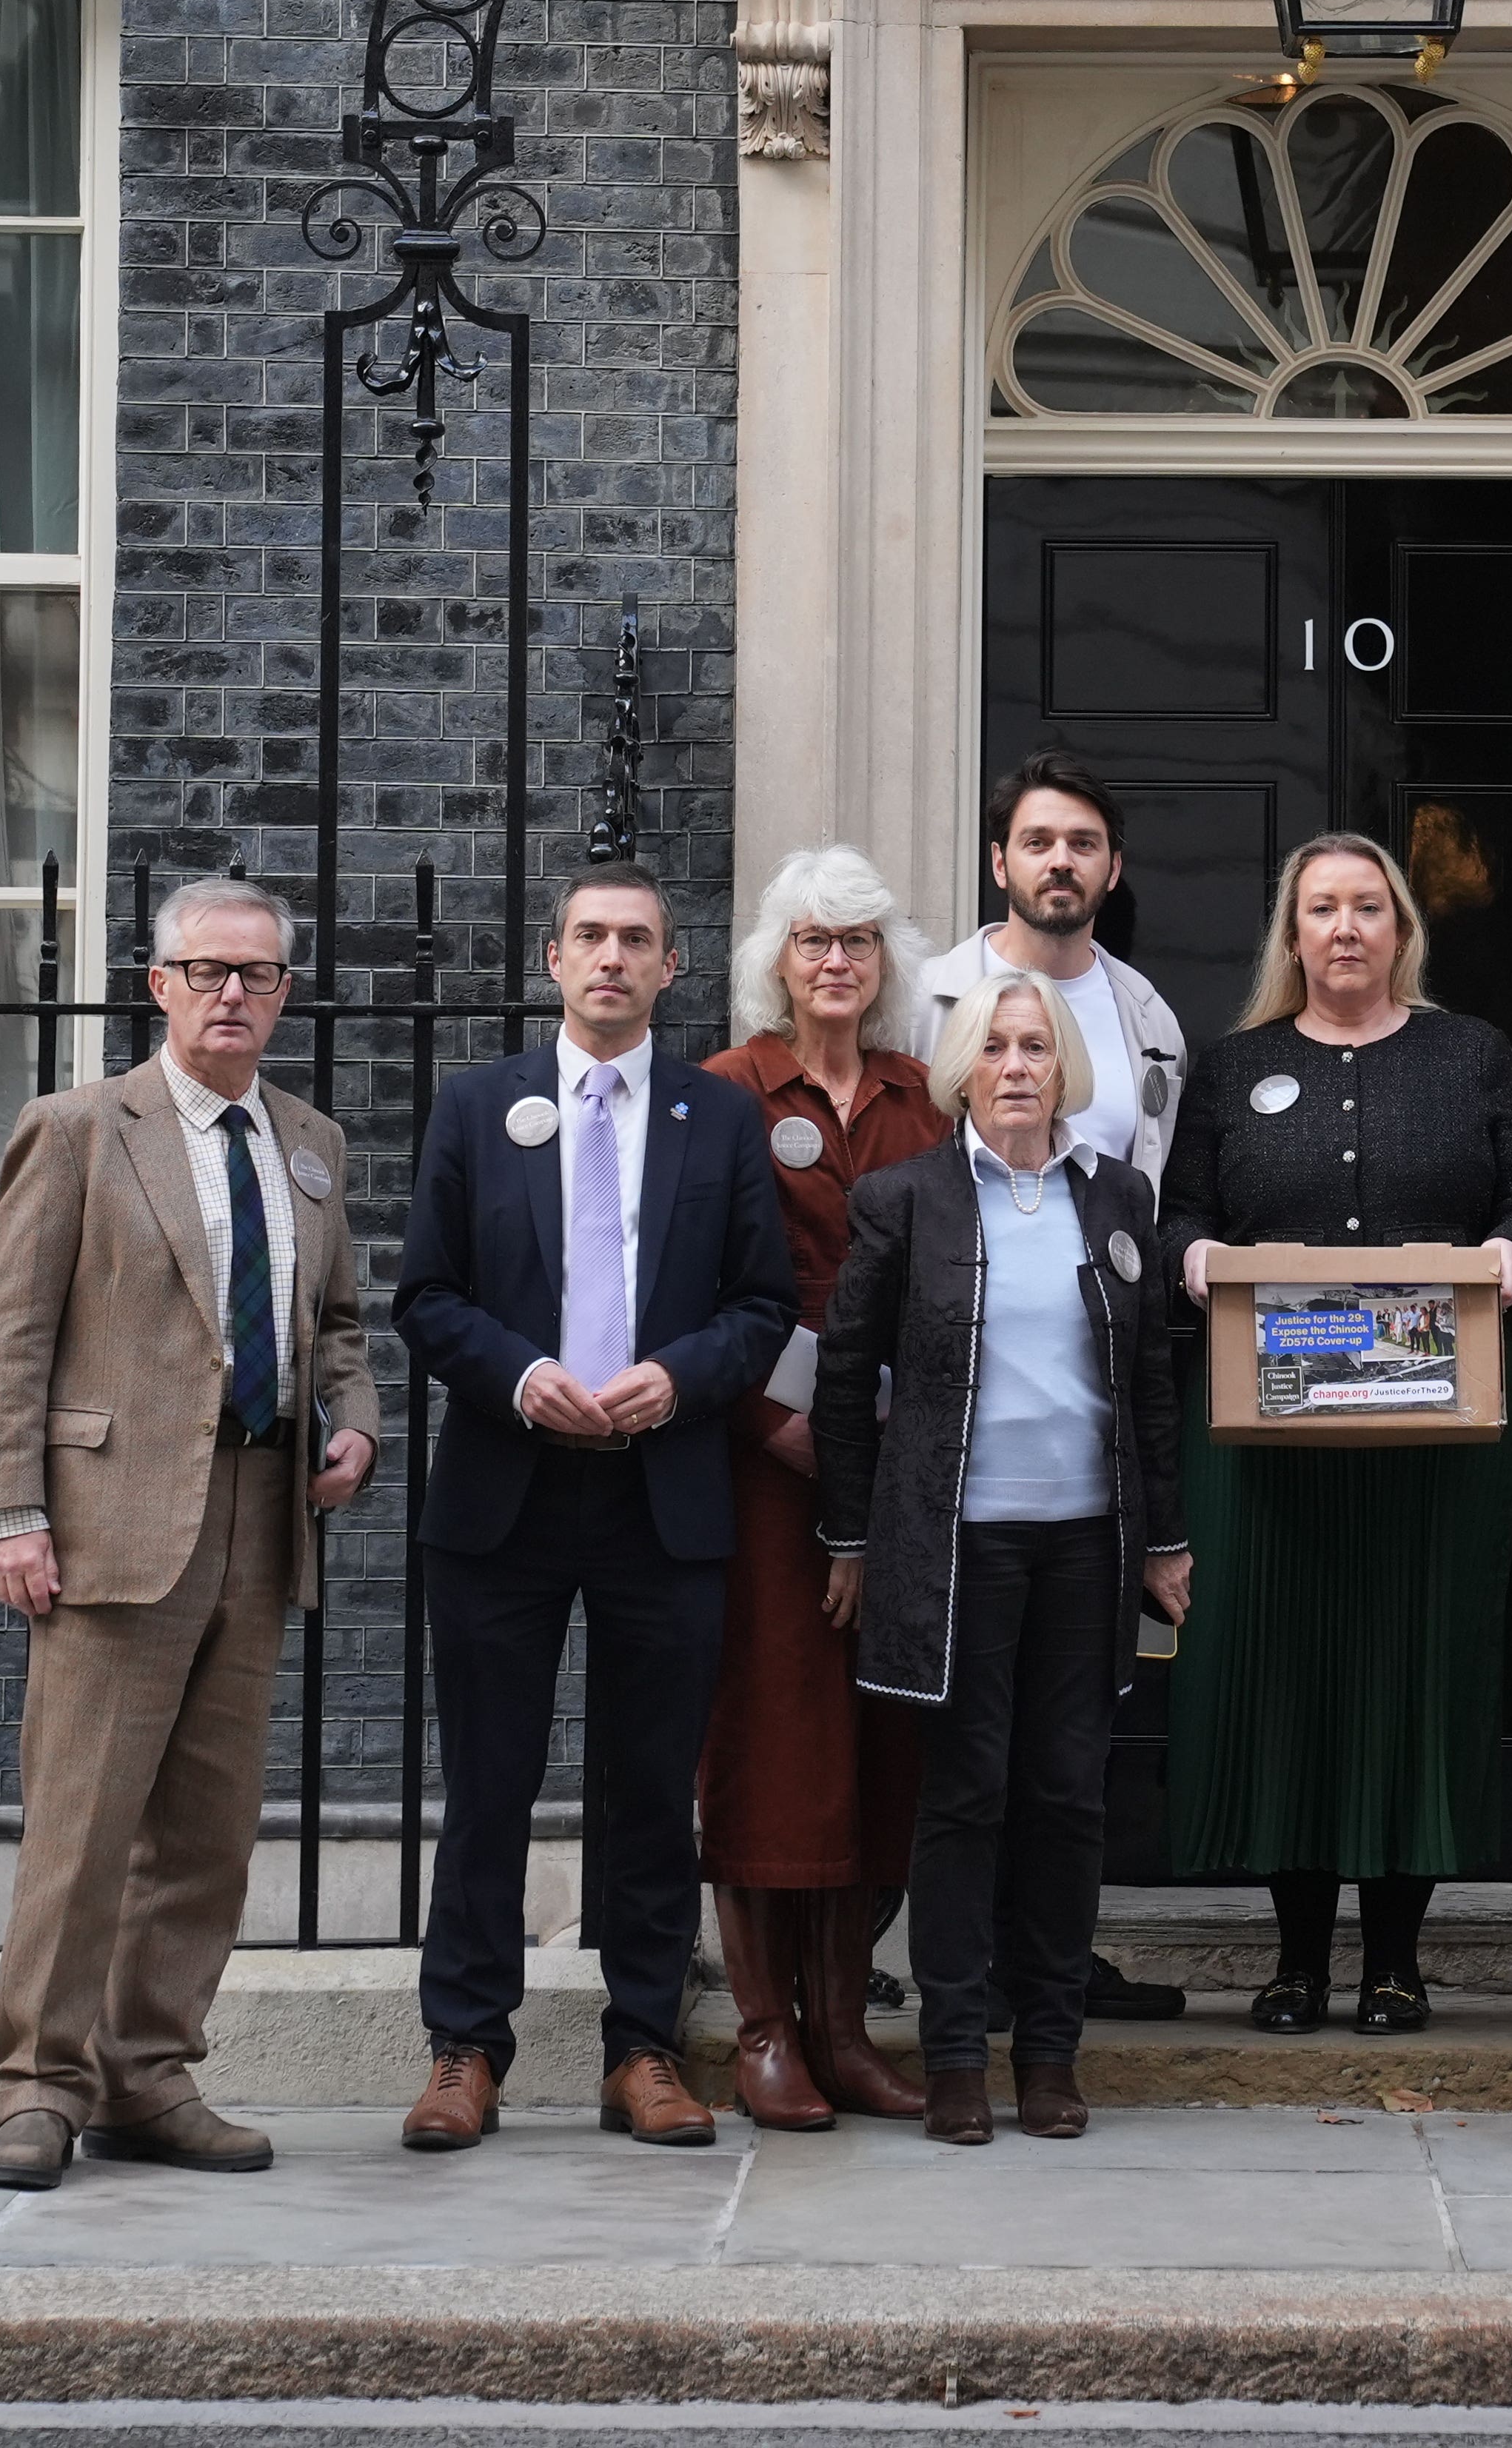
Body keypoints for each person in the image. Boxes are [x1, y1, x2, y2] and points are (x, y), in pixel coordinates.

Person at [0, 876, 381, 2193]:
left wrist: (354, 1422)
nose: (234, 994)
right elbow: (9, 1336)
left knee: (206, 1831)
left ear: (285, 994)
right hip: (109, 1525)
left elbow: (342, 1326)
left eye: (258, 975)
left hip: (258, 1521)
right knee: (83, 1825)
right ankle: (38, 2085)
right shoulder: (83, 1130)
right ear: (158, 987)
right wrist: (13, 1513)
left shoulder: (309, 1142)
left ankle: (150, 2071)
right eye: (207, 972)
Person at [396, 863, 797, 2153]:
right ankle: (467, 2051)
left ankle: (642, 2051)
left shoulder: (714, 1116)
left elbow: (763, 1304)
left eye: (638, 939)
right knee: (490, 1784)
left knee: (647, 1792)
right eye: (591, 937)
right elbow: (428, 1296)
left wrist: (678, 1379)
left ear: (670, 969)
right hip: (504, 1500)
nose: (613, 957)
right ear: (553, 959)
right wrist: (522, 1378)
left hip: (661, 1495)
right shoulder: (479, 1106)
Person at [1157, 832, 1512, 2032]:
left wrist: (1508, 1256)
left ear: (1403, 931)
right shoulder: (1235, 1069)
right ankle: (1296, 1962)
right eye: (1322, 909)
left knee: (1412, 1677)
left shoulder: (1473, 1056)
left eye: (1369, 909)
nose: (1346, 929)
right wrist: (1195, 1258)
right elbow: (1183, 1207)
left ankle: (1396, 1958)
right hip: (1268, 1440)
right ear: (1291, 935)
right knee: (1285, 1678)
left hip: (1436, 1442)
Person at [813, 971, 1192, 2144]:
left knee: (1068, 1796)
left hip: (1088, 1539)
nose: (1018, 1066)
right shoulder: (907, 1199)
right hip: (961, 1543)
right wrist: (851, 1535)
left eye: (1037, 1046)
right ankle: (956, 2055)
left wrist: (1166, 1540)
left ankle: (1049, 2053)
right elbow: (842, 1379)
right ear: (964, 1069)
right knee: (966, 1794)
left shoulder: (1116, 1195)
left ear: (1064, 1066)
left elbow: (1153, 1387)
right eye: (997, 1047)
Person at [693, 846, 944, 2130]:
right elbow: (683, 1288)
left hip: (901, 1477)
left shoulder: (925, 1099)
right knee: (774, 1740)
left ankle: (847, 2026)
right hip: (767, 1474)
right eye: (811, 941)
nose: (835, 961)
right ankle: (765, 2028)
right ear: (776, 966)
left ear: (885, 963)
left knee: (880, 1742)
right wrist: (768, 1418)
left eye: (856, 940)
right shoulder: (726, 1094)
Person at [914, 751, 1190, 1187]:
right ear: (1000, 864)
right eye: (1037, 842)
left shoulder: (1149, 1019)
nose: (1061, 862)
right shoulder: (921, 1002)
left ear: (1113, 868)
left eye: (1083, 844)